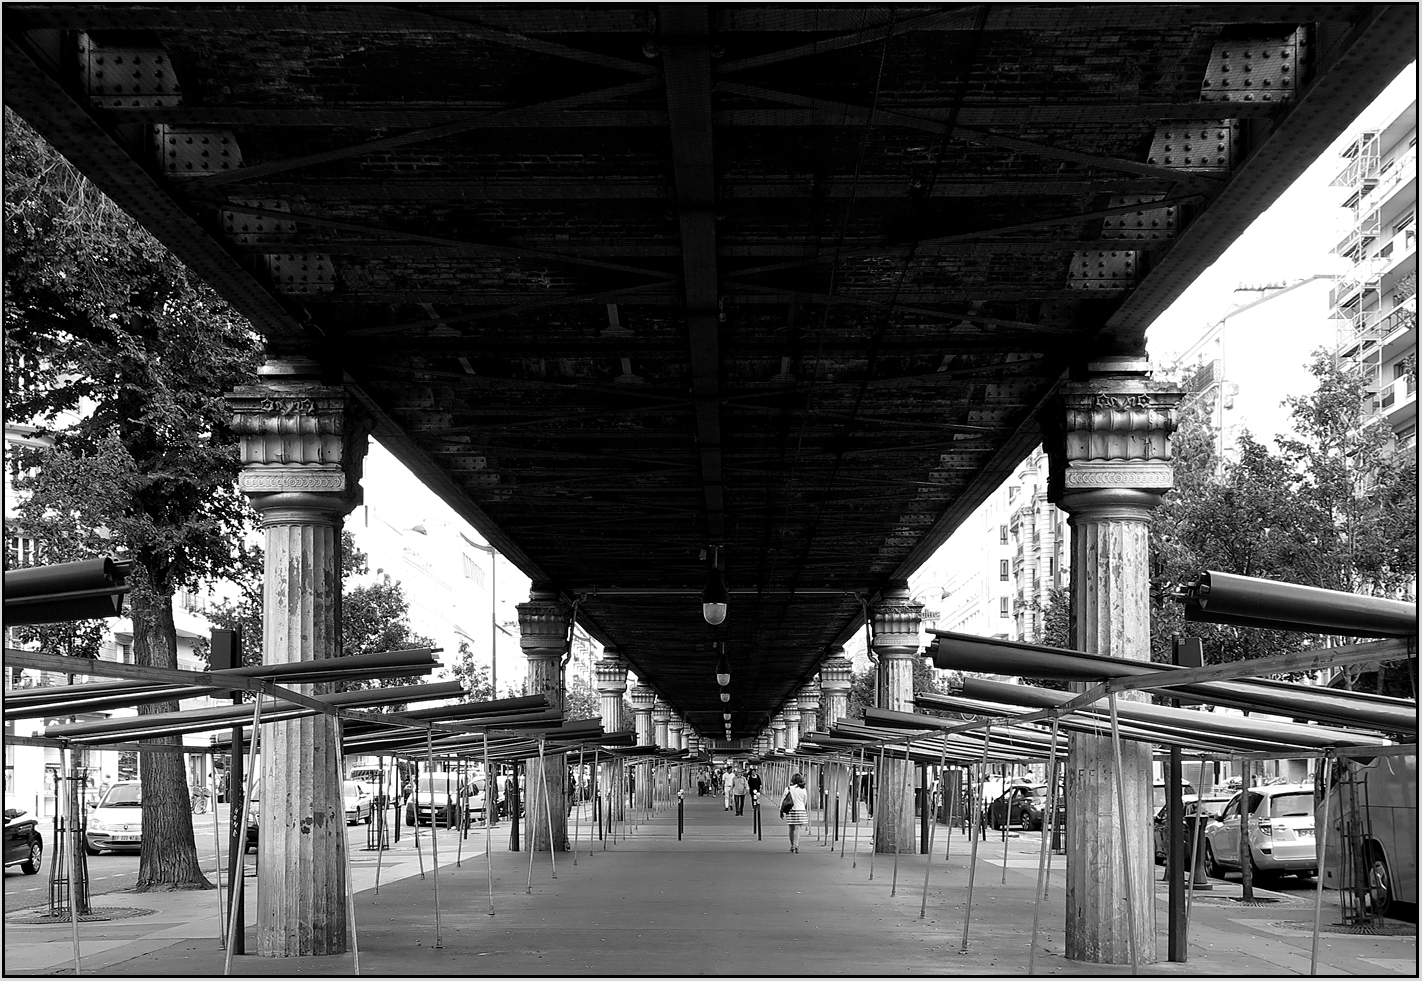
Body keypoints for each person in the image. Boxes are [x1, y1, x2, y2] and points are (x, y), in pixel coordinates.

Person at [783, 772, 809, 852]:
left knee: (791, 828)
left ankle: (792, 845)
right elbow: (805, 801)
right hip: (800, 810)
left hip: (791, 810)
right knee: (798, 828)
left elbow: (783, 800)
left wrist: (781, 810)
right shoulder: (803, 790)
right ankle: (797, 844)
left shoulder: (788, 789)